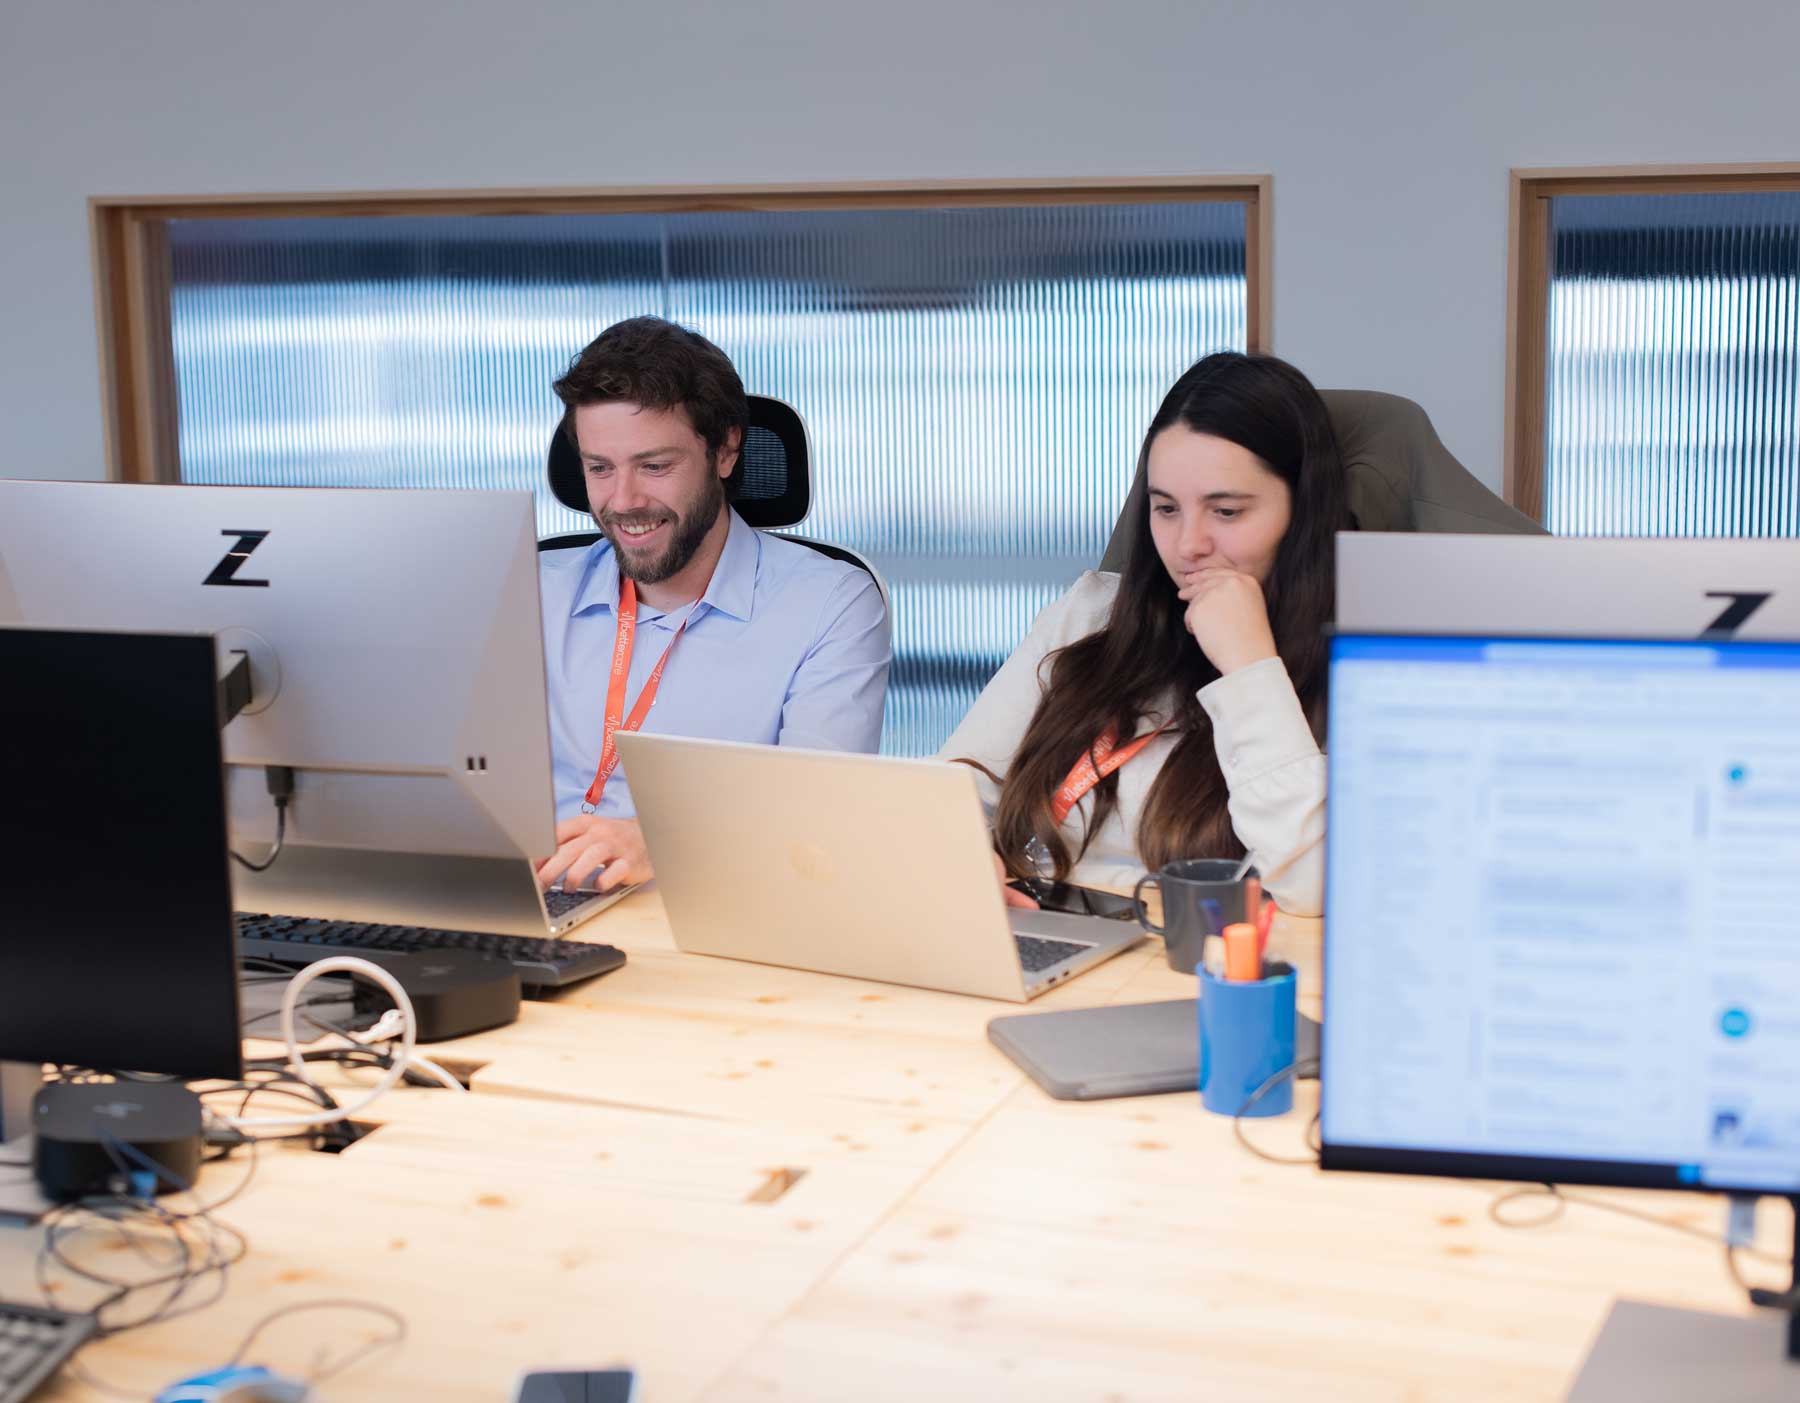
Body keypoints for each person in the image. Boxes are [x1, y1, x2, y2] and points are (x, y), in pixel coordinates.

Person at [941, 351, 1349, 918]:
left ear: (1301, 511)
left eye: (1226, 512)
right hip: (1033, 934)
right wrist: (961, 855)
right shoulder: (1093, 612)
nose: (1188, 546)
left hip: (1193, 966)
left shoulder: (1361, 662)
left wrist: (1250, 667)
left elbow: (1315, 885)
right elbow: (949, 794)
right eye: (1165, 509)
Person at [536, 317, 890, 894]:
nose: (623, 502)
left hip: (707, 917)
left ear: (725, 451)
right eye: (600, 468)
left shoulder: (829, 602)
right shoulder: (530, 589)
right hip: (529, 913)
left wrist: (665, 843)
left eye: (654, 466)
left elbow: (825, 822)